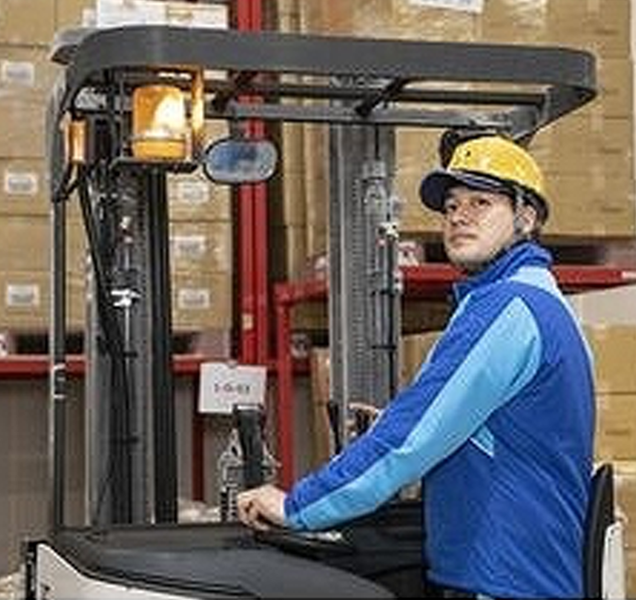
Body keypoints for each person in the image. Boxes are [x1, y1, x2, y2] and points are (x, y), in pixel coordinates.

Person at [237, 134, 595, 599]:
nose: (459, 216)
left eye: (481, 202)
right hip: (525, 572)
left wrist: (298, 506)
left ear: (526, 218)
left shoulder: (507, 308)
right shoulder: (543, 303)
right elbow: (505, 431)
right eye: (451, 206)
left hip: (506, 579)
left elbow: (412, 437)